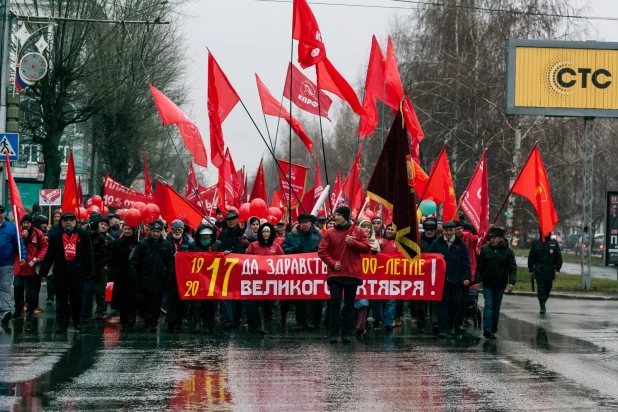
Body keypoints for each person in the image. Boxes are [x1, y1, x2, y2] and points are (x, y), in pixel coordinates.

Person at [318, 206, 371, 344]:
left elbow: (366, 248)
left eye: (339, 215)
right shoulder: (329, 233)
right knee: (335, 302)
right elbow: (322, 251)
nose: (336, 217)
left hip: (352, 274)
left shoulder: (358, 231)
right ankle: (333, 333)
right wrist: (332, 263)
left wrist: (353, 242)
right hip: (335, 274)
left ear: (346, 216)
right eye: (336, 215)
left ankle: (347, 332)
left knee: (349, 304)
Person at [39, 212, 94, 333]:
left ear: (75, 221)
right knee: (61, 299)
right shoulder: (55, 236)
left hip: (77, 273)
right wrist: (44, 270)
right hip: (61, 273)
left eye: (71, 220)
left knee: (77, 300)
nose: (68, 222)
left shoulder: (83, 234)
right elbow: (50, 255)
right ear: (62, 222)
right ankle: (61, 324)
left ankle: (76, 321)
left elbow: (88, 254)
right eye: (66, 220)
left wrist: (90, 272)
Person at [129, 220, 176, 332]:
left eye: (158, 231)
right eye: (154, 231)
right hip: (144, 279)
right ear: (150, 231)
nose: (155, 234)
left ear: (161, 232)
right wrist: (135, 277)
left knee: (156, 303)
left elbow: (171, 262)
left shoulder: (167, 245)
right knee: (144, 303)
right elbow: (134, 261)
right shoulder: (142, 244)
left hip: (159, 280)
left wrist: (168, 276)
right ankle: (146, 320)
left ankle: (153, 324)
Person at [429, 221, 471, 338]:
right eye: (446, 231)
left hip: (456, 280)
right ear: (443, 231)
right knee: (442, 305)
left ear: (454, 231)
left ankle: (450, 327)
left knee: (455, 304)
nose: (448, 233)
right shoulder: (437, 243)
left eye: (450, 230)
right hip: (441, 281)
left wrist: (467, 277)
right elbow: (429, 258)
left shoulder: (460, 244)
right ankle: (443, 329)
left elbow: (465, 262)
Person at [282, 213, 323, 331]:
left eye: (307, 222)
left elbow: (324, 249)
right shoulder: (291, 236)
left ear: (311, 223)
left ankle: (313, 322)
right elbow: (283, 250)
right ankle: (300, 322)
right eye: (302, 222)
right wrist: (293, 250)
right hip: (297, 272)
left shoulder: (318, 235)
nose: (305, 224)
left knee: (314, 298)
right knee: (300, 298)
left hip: (314, 271)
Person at [476, 227, 516, 339]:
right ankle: (487, 329)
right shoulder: (485, 249)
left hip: (500, 283)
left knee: (496, 307)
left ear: (500, 238)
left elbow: (512, 268)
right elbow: (479, 266)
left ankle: (493, 330)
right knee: (488, 305)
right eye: (491, 237)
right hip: (488, 282)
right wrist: (477, 281)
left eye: (494, 237)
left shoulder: (508, 251)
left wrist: (511, 282)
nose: (492, 240)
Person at [244, 222, 284, 335]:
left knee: (268, 304)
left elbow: (283, 260)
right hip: (256, 281)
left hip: (271, 281)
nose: (265, 234)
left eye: (267, 231)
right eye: (263, 232)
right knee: (256, 304)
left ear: (271, 233)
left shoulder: (276, 246)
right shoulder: (254, 245)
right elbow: (245, 259)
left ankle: (267, 324)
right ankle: (257, 325)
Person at [217, 210, 249, 328]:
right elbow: (218, 248)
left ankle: (235, 318)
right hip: (226, 269)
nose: (231, 222)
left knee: (238, 296)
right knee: (226, 295)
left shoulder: (243, 234)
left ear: (237, 220)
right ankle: (227, 320)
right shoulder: (223, 234)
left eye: (233, 219)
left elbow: (248, 249)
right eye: (229, 220)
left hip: (240, 268)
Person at [188, 223, 221, 334]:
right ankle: (197, 323)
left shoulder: (217, 244)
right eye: (203, 235)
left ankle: (208, 324)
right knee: (197, 303)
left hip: (212, 279)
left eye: (208, 235)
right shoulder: (193, 245)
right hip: (198, 278)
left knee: (210, 303)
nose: (205, 237)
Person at [13, 214, 47, 320]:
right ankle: (18, 309)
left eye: (28, 223)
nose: (26, 225)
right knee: (18, 287)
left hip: (33, 267)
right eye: (24, 223)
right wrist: (22, 237)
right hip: (20, 266)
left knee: (33, 290)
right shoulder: (17, 233)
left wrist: (39, 258)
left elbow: (44, 247)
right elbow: (14, 246)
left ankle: (30, 309)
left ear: (31, 223)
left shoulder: (38, 233)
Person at [0, 205, 28, 324]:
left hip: (6, 263)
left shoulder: (11, 228)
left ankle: (5, 311)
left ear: (4, 214)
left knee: (5, 288)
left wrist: (23, 256)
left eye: (1, 212)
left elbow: (19, 243)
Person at [165, 219, 194, 332]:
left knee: (183, 298)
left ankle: (180, 320)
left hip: (185, 274)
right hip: (171, 274)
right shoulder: (166, 241)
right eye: (175, 229)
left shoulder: (190, 241)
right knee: (171, 298)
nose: (177, 231)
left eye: (179, 229)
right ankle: (171, 320)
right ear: (172, 230)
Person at [109, 225, 138, 327]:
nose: (127, 231)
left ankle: (131, 317)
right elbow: (112, 258)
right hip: (120, 274)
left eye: (129, 229)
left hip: (134, 275)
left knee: (132, 297)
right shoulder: (116, 243)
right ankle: (123, 317)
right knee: (121, 297)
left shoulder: (137, 243)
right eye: (125, 229)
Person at [454, 220, 480, 333]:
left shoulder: (469, 237)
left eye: (460, 228)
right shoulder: (448, 239)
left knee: (465, 299)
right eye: (456, 228)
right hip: (454, 273)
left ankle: (460, 321)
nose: (459, 230)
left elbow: (480, 240)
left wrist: (487, 231)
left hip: (468, 273)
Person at [528, 232, 562, 314]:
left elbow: (558, 258)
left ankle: (543, 301)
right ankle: (542, 306)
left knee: (548, 289)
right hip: (539, 270)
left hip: (550, 271)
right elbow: (531, 257)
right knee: (541, 289)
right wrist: (531, 269)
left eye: (547, 231)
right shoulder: (536, 243)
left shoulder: (554, 243)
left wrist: (557, 269)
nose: (546, 233)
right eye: (544, 231)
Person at [355, 220, 379, 336]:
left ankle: (361, 326)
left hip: (370, 276)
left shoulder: (376, 242)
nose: (366, 229)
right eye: (363, 227)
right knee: (355, 300)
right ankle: (355, 325)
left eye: (368, 227)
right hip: (356, 273)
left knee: (364, 302)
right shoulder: (355, 241)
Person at [372, 223, 397, 332]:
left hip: (392, 276)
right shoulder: (379, 241)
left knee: (390, 301)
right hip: (378, 275)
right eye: (388, 229)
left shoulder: (399, 244)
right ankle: (378, 318)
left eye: (392, 230)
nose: (390, 231)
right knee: (376, 300)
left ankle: (388, 323)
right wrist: (379, 246)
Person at [83, 220, 109, 322]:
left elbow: (103, 253)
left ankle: (100, 311)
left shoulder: (101, 238)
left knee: (100, 291)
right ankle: (86, 311)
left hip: (100, 267)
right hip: (88, 268)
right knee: (87, 291)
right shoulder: (84, 236)